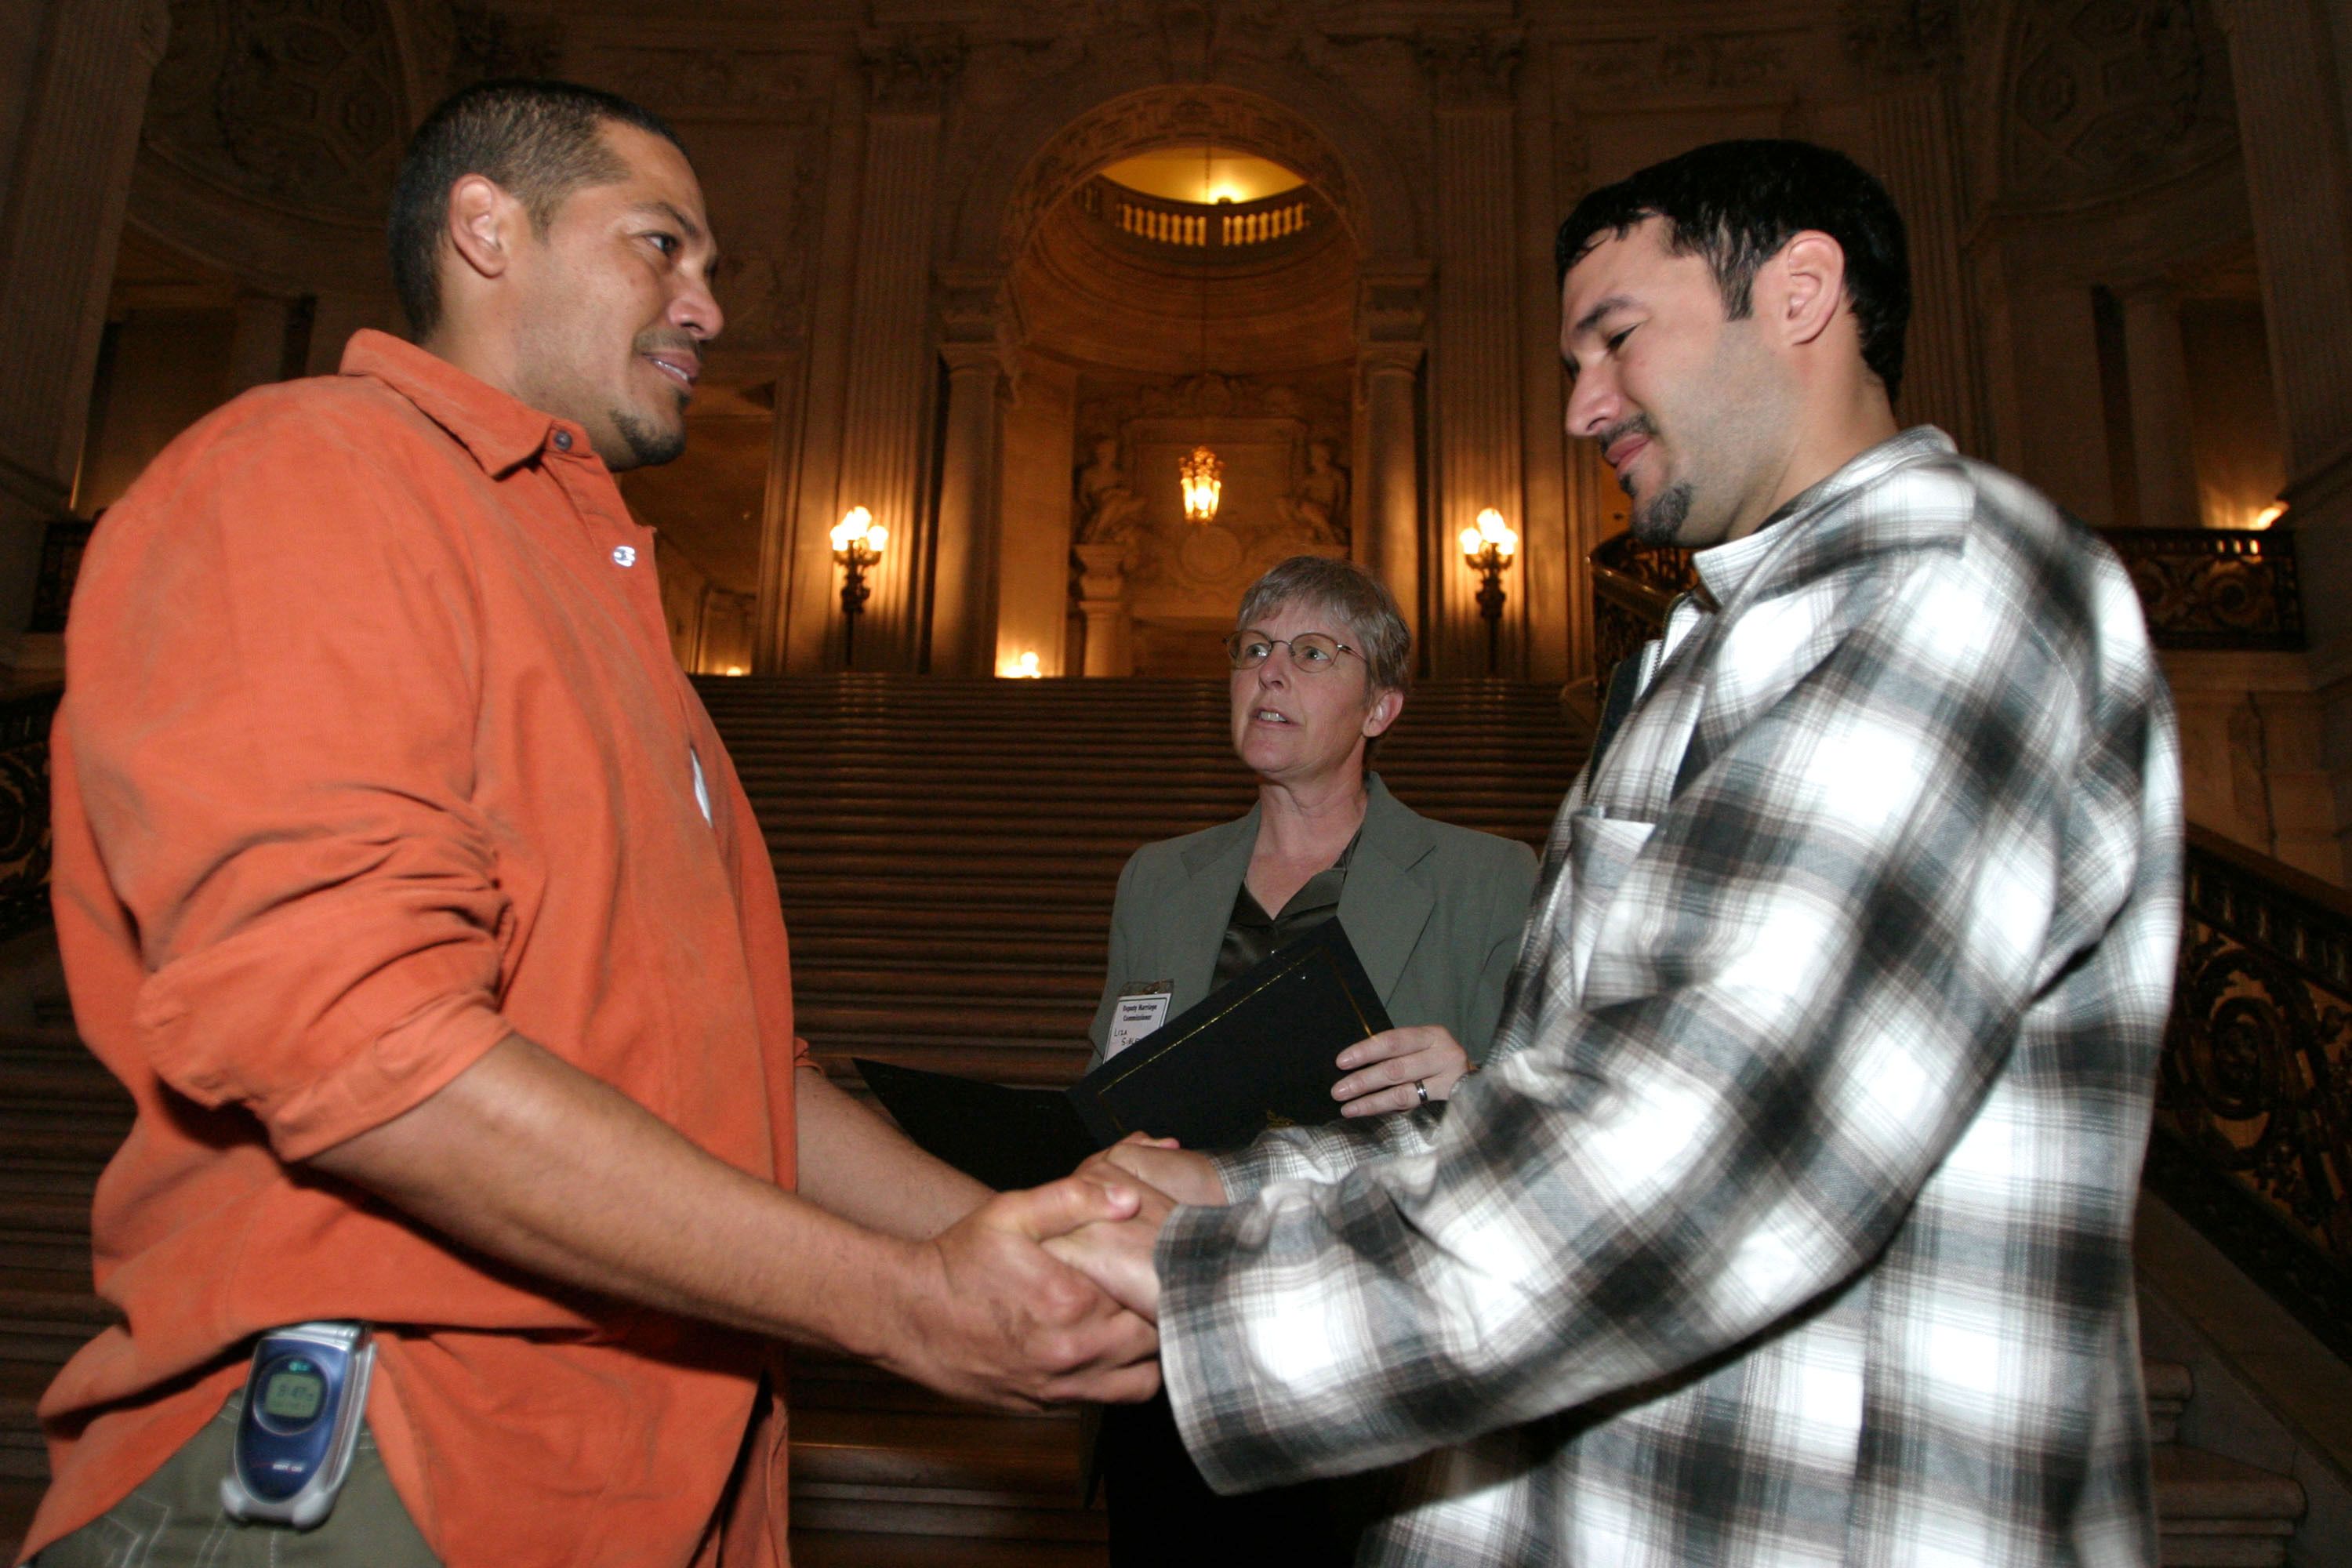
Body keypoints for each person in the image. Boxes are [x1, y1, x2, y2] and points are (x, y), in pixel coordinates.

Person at [23, 80, 1155, 1568]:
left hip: (651, 1482)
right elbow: (367, 1050)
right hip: (376, 1478)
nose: (706, 309)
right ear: (487, 230)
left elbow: (744, 1083)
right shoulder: (308, 472)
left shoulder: (601, 601)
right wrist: (902, 1302)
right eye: (661, 246)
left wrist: (1037, 1236)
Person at [1050, 138, 2183, 1564]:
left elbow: (1698, 1163)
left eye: (1616, 339)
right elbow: (1572, 1096)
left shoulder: (1951, 598)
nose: (1582, 405)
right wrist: (1241, 1184)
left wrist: (1201, 1278)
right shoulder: (1709, 649)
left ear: (1801, 292)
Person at [1087, 554, 1536, 1565]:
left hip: (1370, 1339)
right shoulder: (1158, 881)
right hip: (1179, 1341)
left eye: (1312, 652)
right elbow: (1114, 1081)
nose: (1270, 672)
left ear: (1381, 708)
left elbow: (1554, 1125)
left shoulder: (1487, 878)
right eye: (1253, 650)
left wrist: (1468, 1084)